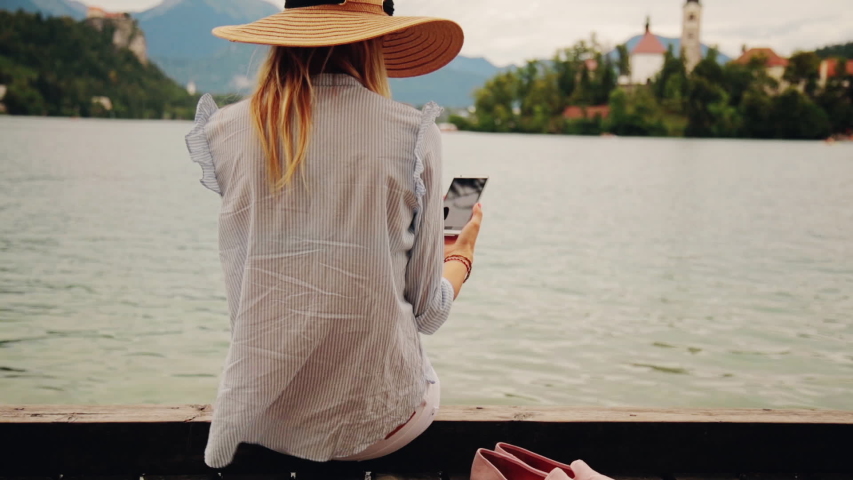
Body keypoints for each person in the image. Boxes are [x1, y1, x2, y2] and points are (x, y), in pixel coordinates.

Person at [184, 0, 483, 469]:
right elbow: (427, 313)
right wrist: (459, 257)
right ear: (375, 42)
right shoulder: (412, 135)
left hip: (259, 416)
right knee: (420, 373)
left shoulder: (226, 130)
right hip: (376, 426)